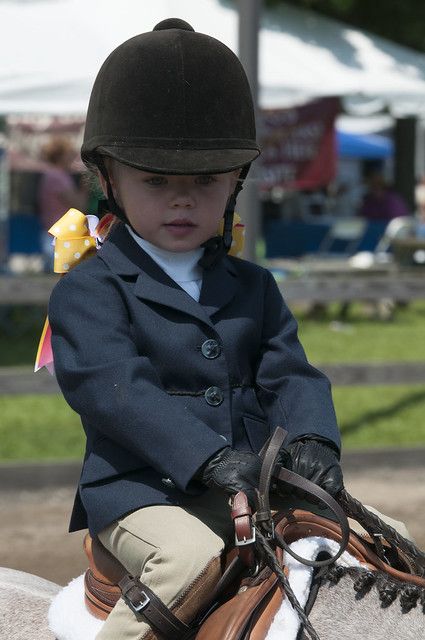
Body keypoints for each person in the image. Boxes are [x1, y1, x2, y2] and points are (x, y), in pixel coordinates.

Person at [48, 19, 343, 640]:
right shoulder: (88, 291)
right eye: (156, 182)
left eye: (204, 183)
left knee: (349, 545)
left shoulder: (254, 285)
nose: (182, 201)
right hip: (138, 492)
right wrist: (207, 458)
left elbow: (289, 371)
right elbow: (116, 391)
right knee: (185, 562)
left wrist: (316, 440)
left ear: (234, 182)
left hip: (247, 482)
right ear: (108, 179)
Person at [38, 136, 87, 270]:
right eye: (69, 153)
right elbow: (79, 205)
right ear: (60, 156)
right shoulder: (58, 177)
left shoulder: (51, 175)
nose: (72, 156)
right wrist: (86, 184)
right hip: (58, 238)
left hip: (51, 234)